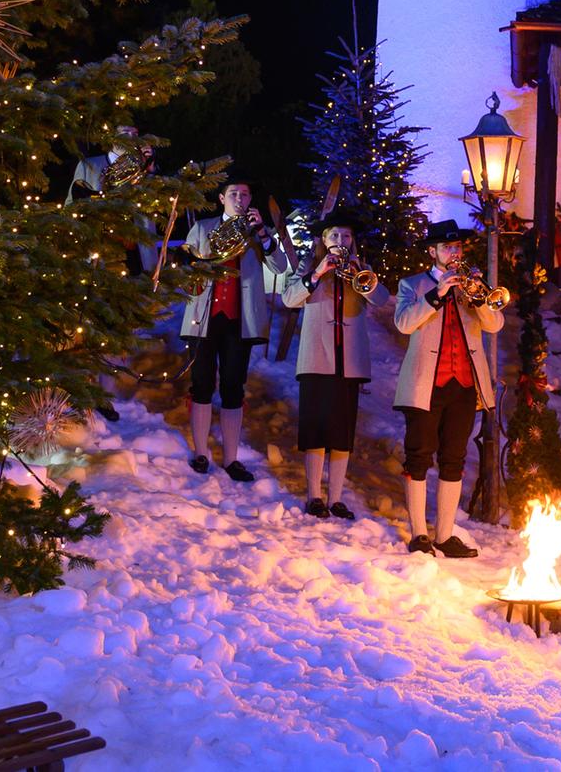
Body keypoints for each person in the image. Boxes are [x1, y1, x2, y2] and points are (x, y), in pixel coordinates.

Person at [392, 219, 505, 556]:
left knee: (454, 459)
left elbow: (495, 324)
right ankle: (418, 534)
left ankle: (443, 534)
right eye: (447, 248)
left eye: (457, 248)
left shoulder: (472, 286)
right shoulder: (412, 284)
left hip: (464, 386)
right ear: (433, 252)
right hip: (425, 385)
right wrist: (437, 293)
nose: (454, 253)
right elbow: (403, 323)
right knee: (419, 457)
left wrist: (479, 298)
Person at [179, 181, 289, 482]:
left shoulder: (258, 232)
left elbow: (280, 267)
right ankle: (201, 452)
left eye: (244, 194)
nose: (239, 199)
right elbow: (186, 264)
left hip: (238, 320)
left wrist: (264, 234)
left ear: (251, 198)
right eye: (233, 194)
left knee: (232, 386)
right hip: (204, 316)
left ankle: (230, 459)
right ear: (221, 198)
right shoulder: (203, 227)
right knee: (201, 383)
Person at [281, 207, 375, 521]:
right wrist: (317, 273)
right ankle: (314, 496)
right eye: (334, 235)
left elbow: (383, 299)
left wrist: (363, 277)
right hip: (316, 360)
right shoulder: (309, 267)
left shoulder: (363, 269)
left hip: (349, 362)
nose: (340, 240)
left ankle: (336, 498)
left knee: (341, 431)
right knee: (315, 429)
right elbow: (289, 299)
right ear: (324, 239)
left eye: (346, 235)